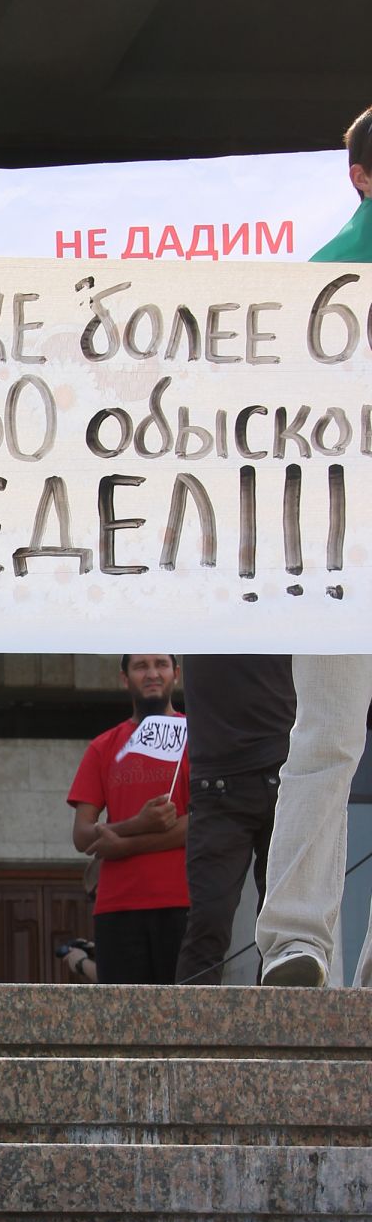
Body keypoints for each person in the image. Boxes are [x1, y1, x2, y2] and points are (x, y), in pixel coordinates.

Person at [256, 104, 372, 988]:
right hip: (338, 539)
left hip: (332, 542)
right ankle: (297, 943)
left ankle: (298, 942)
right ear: (360, 180)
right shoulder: (322, 282)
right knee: (325, 737)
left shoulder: (316, 281)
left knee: (324, 740)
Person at [68, 654, 190, 984]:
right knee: (121, 1027)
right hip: (117, 906)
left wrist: (121, 844)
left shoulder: (197, 739)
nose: (152, 674)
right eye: (140, 666)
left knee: (185, 1024)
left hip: (182, 900)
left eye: (161, 665)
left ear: (175, 674)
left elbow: (202, 825)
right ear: (124, 678)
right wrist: (137, 824)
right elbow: (81, 835)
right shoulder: (102, 747)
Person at [175, 657, 296, 985]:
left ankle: (277, 1030)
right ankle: (190, 1031)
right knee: (209, 922)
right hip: (217, 786)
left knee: (284, 928)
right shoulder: (201, 607)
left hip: (286, 773)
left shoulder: (291, 608)